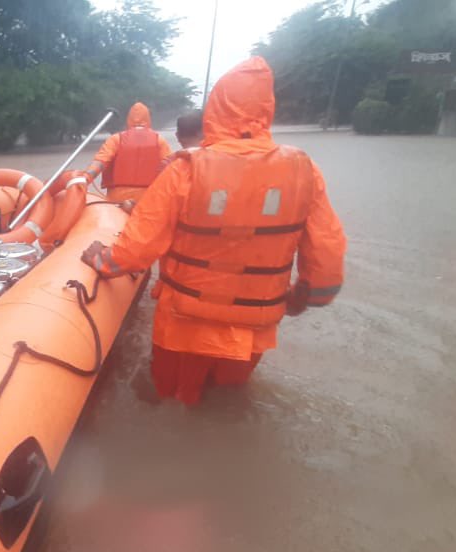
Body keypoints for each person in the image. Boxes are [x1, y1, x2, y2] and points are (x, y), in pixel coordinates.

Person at [80, 57, 346, 406]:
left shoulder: (186, 170)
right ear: (268, 110)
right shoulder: (304, 170)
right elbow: (327, 253)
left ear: (215, 111)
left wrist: (102, 261)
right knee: (227, 405)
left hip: (183, 325)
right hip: (254, 328)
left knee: (169, 401)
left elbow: (138, 247)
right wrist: (309, 297)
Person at [86, 102, 173, 211]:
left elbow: (101, 162)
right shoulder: (159, 140)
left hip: (117, 197)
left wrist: (86, 177)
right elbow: (170, 167)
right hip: (148, 196)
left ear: (129, 119)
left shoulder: (116, 139)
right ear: (148, 119)